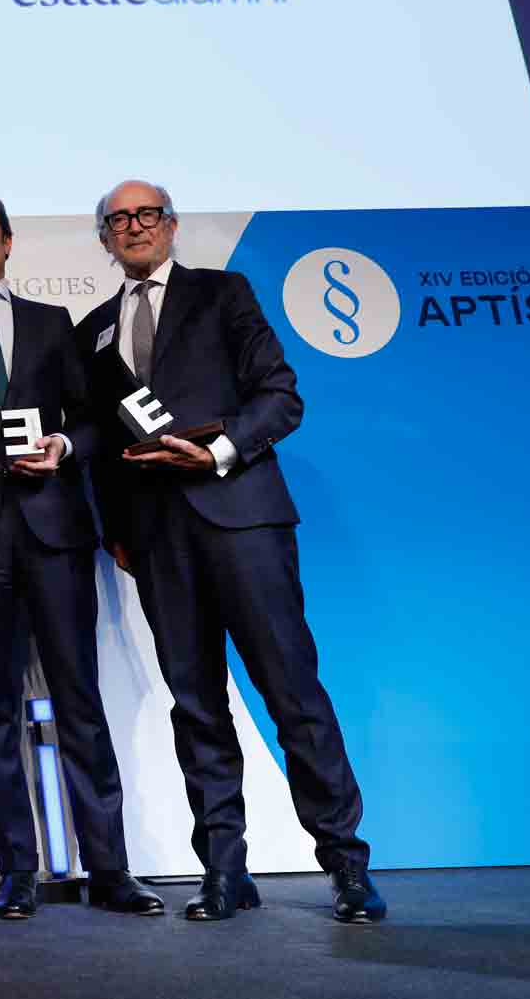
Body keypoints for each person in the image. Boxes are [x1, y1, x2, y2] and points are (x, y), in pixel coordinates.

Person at [74, 179, 387, 924]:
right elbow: (99, 440)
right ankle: (224, 868)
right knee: (197, 705)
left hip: (242, 519)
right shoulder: (91, 329)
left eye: (146, 214)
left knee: (292, 693)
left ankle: (346, 864)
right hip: (156, 540)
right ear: (105, 238)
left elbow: (281, 396)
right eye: (118, 220)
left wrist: (214, 450)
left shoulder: (224, 293)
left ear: (171, 225)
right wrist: (116, 530)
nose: (134, 227)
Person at [0, 194, 164, 920]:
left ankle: (109, 868)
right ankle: (18, 867)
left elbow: (93, 418)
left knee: (79, 701)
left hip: (54, 534)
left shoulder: (56, 326)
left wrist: (65, 445)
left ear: (8, 242)